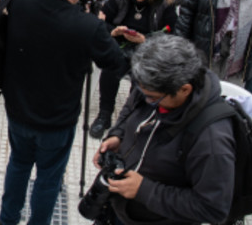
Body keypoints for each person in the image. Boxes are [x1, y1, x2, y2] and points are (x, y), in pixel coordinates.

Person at [0, 0, 124, 225]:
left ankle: (7, 220)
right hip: (56, 120)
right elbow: (117, 63)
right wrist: (102, 28)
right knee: (48, 179)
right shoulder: (87, 27)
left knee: (18, 164)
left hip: (18, 106)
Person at [97, 34, 236, 225]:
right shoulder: (153, 86)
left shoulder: (211, 141)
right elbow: (131, 108)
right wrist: (118, 135)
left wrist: (144, 190)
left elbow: (213, 209)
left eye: (152, 97)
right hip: (121, 211)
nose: (146, 100)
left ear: (184, 89)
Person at [88, 0, 178, 140]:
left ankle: (129, 118)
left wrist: (145, 40)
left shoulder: (163, 4)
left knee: (141, 76)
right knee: (110, 68)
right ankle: (104, 114)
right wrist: (114, 31)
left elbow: (172, 35)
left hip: (147, 50)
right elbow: (101, 22)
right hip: (120, 44)